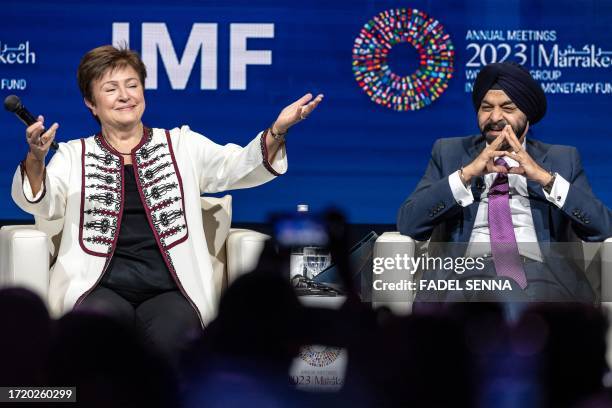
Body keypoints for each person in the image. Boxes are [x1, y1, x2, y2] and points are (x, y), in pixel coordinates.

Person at [11, 45, 323, 362]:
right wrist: (36, 159)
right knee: (97, 339)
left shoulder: (181, 144)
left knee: (175, 341)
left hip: (170, 288)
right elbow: (42, 202)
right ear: (91, 103)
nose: (125, 96)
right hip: (98, 286)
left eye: (132, 85)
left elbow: (237, 165)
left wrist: (277, 130)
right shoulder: (72, 154)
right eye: (110, 88)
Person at [397, 61, 612, 305]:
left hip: (543, 278)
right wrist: (467, 173)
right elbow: (409, 223)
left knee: (505, 292)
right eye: (486, 108)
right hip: (461, 276)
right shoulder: (448, 152)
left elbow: (602, 227)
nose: (495, 117)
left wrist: (545, 178)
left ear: (527, 115)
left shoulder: (561, 158)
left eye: (507, 108)